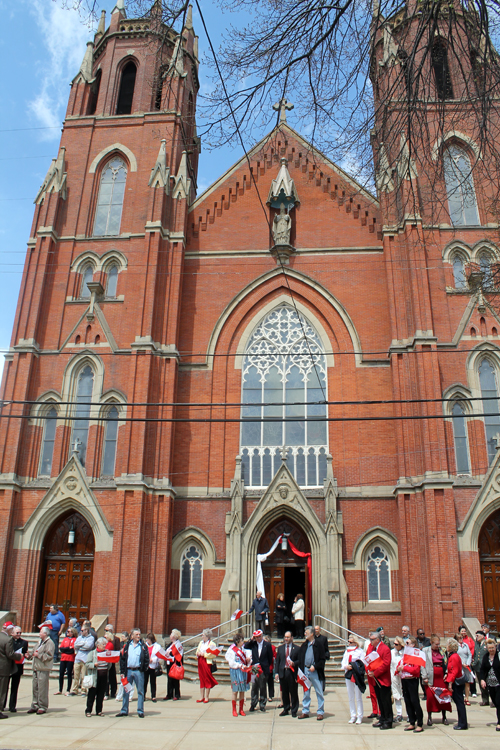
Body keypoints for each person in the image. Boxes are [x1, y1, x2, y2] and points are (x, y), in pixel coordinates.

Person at [116, 628, 149, 718]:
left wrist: (144, 668)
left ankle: (140, 710)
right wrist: (122, 671)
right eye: (136, 634)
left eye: (139, 634)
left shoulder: (143, 646)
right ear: (132, 636)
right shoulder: (127, 645)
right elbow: (123, 659)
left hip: (138, 671)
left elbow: (146, 658)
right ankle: (124, 710)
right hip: (128, 670)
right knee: (126, 690)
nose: (138, 636)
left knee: (140, 691)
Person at [297, 625, 326, 721]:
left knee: (319, 692)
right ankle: (305, 711)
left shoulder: (319, 645)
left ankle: (320, 712)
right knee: (306, 692)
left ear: (312, 634)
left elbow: (322, 659)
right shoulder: (304, 645)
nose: (305, 634)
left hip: (315, 671)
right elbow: (300, 658)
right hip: (305, 671)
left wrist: (315, 666)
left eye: (306, 632)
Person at [421, 634, 451, 726]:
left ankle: (444, 716)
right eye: (436, 644)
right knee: (430, 697)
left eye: (439, 644)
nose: (438, 646)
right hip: (430, 677)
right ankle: (429, 717)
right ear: (431, 643)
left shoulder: (442, 651)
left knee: (442, 696)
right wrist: (424, 676)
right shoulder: (425, 650)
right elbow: (422, 664)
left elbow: (446, 663)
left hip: (441, 676)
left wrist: (446, 673)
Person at [396, 636, 423, 733]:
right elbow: (400, 665)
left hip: (412, 680)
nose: (405, 645)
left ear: (413, 645)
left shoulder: (415, 655)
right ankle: (412, 721)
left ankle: (420, 723)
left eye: (407, 643)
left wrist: (404, 668)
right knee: (407, 701)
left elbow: (416, 670)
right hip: (404, 680)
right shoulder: (404, 655)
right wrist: (398, 669)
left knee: (414, 701)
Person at [366, 630, 392, 730]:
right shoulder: (372, 648)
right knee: (380, 700)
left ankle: (388, 721)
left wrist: (375, 673)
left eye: (372, 640)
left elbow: (386, 664)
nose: (370, 641)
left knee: (386, 701)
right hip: (375, 680)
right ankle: (382, 719)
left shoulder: (385, 649)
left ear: (377, 639)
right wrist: (369, 669)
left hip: (383, 679)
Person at [27, 626, 55, 715]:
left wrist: (38, 655)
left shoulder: (50, 643)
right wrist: (29, 656)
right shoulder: (40, 642)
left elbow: (49, 656)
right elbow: (34, 652)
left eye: (41, 632)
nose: (39, 633)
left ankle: (43, 706)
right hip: (36, 667)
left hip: (43, 668)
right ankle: (35, 705)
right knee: (35, 688)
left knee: (42, 688)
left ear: (45, 634)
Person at [244, 629, 274, 712]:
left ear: (262, 636)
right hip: (255, 668)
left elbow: (270, 657)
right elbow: (245, 646)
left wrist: (266, 666)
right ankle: (253, 703)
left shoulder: (267, 645)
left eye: (259, 637)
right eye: (256, 637)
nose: (258, 639)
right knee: (254, 687)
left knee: (263, 687)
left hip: (263, 668)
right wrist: (251, 639)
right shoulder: (253, 644)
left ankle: (262, 704)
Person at [275, 631, 300, 717]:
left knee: (293, 692)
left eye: (288, 637)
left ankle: (294, 710)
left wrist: (294, 663)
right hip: (283, 672)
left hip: (292, 672)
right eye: (285, 637)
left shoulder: (297, 648)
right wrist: (276, 672)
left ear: (292, 638)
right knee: (284, 692)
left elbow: (300, 661)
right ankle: (286, 708)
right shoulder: (280, 648)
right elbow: (277, 661)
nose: (286, 639)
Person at [225, 633, 251, 717]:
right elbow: (231, 662)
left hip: (243, 671)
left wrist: (248, 660)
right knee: (235, 690)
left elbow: (248, 658)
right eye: (241, 640)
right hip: (235, 671)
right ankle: (234, 709)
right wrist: (239, 665)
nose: (243, 642)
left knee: (242, 690)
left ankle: (241, 709)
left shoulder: (243, 649)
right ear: (237, 641)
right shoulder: (231, 650)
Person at [444, 637, 467, 730]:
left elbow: (455, 671)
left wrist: (450, 683)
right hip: (454, 681)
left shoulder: (454, 657)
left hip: (456, 683)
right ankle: (461, 722)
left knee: (459, 703)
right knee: (458, 703)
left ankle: (462, 723)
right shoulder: (452, 656)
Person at [341, 635, 365, 724]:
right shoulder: (347, 651)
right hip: (349, 673)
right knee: (350, 696)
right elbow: (343, 662)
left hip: (357, 674)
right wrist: (346, 666)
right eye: (348, 642)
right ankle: (353, 715)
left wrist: (356, 666)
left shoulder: (360, 651)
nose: (349, 643)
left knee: (358, 696)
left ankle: (360, 715)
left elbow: (362, 662)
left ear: (355, 643)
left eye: (351, 642)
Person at [85, 637, 111, 717]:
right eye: (103, 644)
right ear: (98, 645)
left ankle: (99, 710)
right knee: (92, 694)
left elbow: (109, 665)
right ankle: (88, 710)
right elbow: (87, 664)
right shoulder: (92, 653)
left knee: (101, 694)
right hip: (95, 676)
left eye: (105, 644)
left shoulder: (107, 653)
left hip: (104, 676)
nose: (104, 646)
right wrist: (94, 665)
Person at [479, 637, 500, 730]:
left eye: (492, 648)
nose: (491, 650)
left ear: (496, 647)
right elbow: (482, 669)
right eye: (489, 648)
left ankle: (499, 723)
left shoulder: (499, 656)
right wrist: (482, 680)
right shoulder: (486, 657)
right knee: (495, 702)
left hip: (499, 683)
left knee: (499, 703)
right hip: (490, 684)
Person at [70, 626, 95, 695]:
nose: (81, 631)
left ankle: (83, 690)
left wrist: (80, 645)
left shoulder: (91, 638)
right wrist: (82, 644)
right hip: (77, 659)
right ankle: (75, 690)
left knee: (84, 676)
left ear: (86, 630)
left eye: (82, 630)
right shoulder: (79, 637)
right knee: (76, 676)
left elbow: (88, 647)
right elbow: (75, 645)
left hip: (85, 659)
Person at [195, 629, 218, 703]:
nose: (202, 637)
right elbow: (197, 650)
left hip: (206, 662)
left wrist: (204, 654)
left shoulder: (212, 644)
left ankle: (206, 697)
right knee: (201, 678)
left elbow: (213, 654)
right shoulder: (201, 643)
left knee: (207, 678)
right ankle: (201, 696)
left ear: (207, 636)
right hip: (200, 661)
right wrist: (198, 653)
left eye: (203, 635)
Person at [0, 622, 16, 719]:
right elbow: (10, 654)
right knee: (2, 690)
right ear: (9, 629)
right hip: (3, 669)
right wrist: (19, 656)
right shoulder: (8, 640)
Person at [55, 627, 77, 696]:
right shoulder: (65, 639)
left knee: (69, 674)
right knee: (61, 674)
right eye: (67, 631)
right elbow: (61, 648)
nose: (67, 633)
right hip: (63, 658)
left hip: (70, 659)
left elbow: (72, 650)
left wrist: (67, 649)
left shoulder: (75, 640)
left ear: (72, 633)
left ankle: (68, 689)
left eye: (69, 631)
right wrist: (67, 648)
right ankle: (60, 689)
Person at [163, 629, 183, 701]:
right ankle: (169, 694)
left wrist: (170, 654)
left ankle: (177, 694)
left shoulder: (178, 644)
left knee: (175, 679)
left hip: (175, 664)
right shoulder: (170, 644)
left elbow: (177, 654)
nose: (170, 635)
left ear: (174, 636)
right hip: (169, 664)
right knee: (169, 679)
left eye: (171, 634)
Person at [364, 630, 379, 718]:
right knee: (372, 693)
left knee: (379, 694)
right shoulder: (369, 646)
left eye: (372, 639)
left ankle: (380, 711)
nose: (371, 641)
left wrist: (375, 671)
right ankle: (375, 710)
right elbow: (367, 658)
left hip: (377, 673)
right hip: (370, 672)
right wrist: (367, 670)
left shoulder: (380, 648)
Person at [473, 630, 490, 706]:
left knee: (489, 684)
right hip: (478, 667)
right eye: (476, 636)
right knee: (481, 685)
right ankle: (485, 700)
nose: (476, 637)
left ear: (483, 636)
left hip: (486, 667)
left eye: (478, 636)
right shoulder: (476, 644)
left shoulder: (487, 643)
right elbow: (476, 655)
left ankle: (492, 700)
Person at [144, 633, 162, 703]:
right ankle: (143, 695)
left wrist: (153, 660)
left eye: (148, 639)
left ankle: (153, 696)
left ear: (151, 639)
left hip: (153, 666)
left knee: (153, 682)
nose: (146, 640)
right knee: (145, 682)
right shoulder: (144, 645)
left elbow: (160, 656)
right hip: (146, 666)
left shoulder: (157, 646)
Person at [390, 636, 405, 722]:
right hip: (394, 676)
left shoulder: (405, 653)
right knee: (396, 695)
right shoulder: (392, 653)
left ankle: (410, 714)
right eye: (394, 644)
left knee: (405, 695)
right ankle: (399, 714)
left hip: (403, 676)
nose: (394, 646)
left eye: (396, 644)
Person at [456, 632, 472, 705]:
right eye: (459, 638)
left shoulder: (466, 645)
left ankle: (467, 698)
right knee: (460, 682)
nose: (461, 639)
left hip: (467, 666)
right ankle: (460, 697)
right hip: (460, 666)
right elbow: (456, 656)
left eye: (462, 638)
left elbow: (469, 655)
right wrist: (462, 664)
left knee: (467, 682)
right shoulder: (456, 647)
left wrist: (468, 663)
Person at [104, 625, 120, 699]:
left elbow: (117, 649)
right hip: (105, 661)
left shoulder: (116, 639)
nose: (106, 631)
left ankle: (113, 692)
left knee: (112, 677)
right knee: (106, 677)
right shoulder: (103, 639)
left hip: (112, 660)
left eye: (107, 630)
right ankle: (106, 692)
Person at [313, 625, 330, 691]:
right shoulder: (312, 638)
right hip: (314, 658)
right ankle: (316, 687)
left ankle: (322, 688)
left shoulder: (323, 638)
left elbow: (326, 648)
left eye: (317, 629)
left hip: (321, 658)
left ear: (320, 630)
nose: (315, 630)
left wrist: (326, 656)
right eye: (314, 629)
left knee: (321, 672)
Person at [264, 635, 276, 700]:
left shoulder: (272, 647)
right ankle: (264, 695)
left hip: (270, 667)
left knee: (270, 682)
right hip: (263, 667)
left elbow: (274, 656)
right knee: (263, 683)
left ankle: (270, 696)